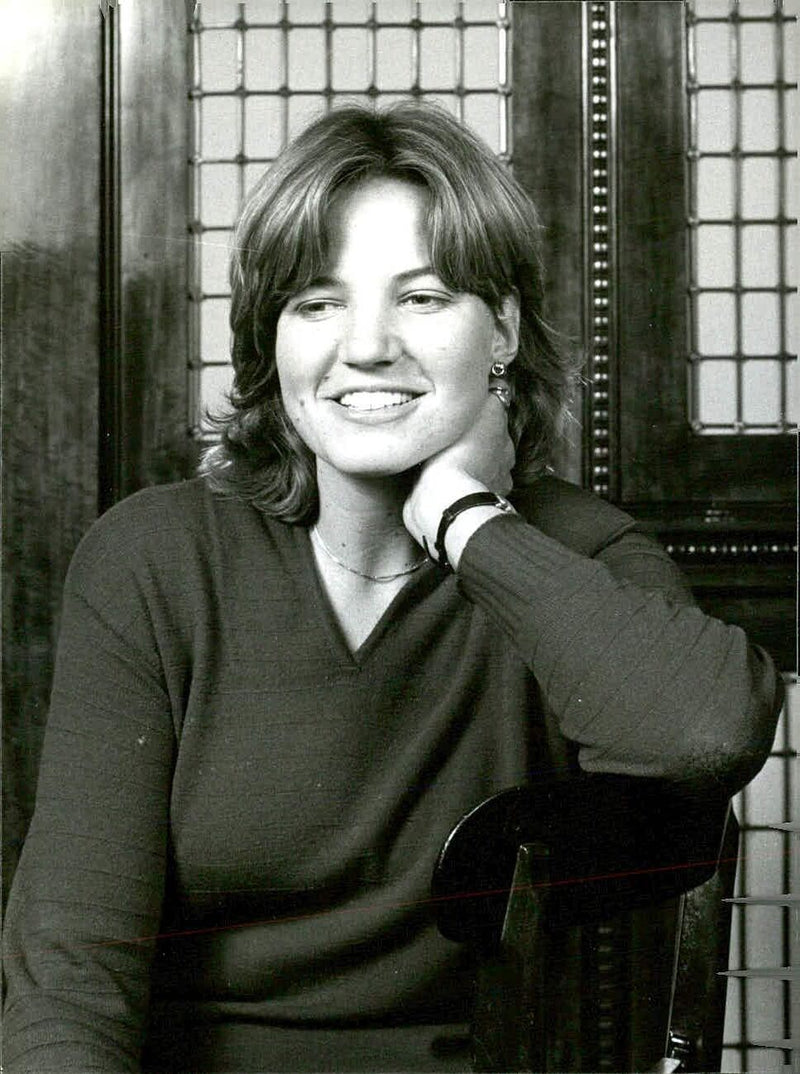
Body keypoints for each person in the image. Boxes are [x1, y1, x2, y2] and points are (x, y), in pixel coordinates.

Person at [2, 103, 781, 1074]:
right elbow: (72, 973)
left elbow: (704, 734)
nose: (364, 347)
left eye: (420, 298)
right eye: (316, 303)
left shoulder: (565, 557)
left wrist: (464, 520)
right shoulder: (156, 561)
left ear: (498, 330)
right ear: (269, 343)